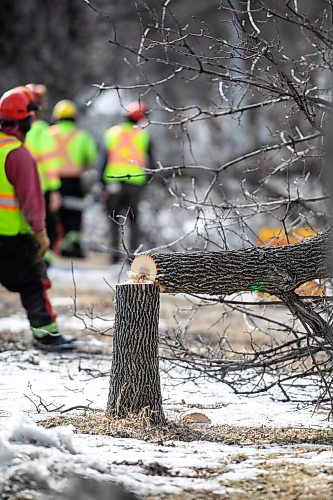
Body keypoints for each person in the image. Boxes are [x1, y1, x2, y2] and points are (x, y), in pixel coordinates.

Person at [0, 88, 76, 351]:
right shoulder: (18, 155)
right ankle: (46, 336)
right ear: (24, 120)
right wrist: (40, 232)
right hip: (12, 237)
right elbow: (32, 201)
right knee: (34, 283)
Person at [97, 101, 156, 264]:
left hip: (112, 182)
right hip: (134, 184)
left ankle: (114, 255)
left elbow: (102, 160)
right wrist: (145, 183)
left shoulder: (111, 133)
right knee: (133, 221)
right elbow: (152, 164)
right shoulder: (144, 135)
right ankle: (132, 256)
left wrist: (101, 183)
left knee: (114, 219)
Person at [49, 99, 97, 258]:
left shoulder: (49, 133)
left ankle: (57, 245)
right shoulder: (82, 136)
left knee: (56, 214)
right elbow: (91, 157)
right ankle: (74, 246)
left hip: (52, 180)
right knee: (74, 214)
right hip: (74, 181)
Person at [24, 84, 62, 263]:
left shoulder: (9, 128)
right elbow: (49, 163)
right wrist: (54, 190)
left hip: (14, 187)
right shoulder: (41, 131)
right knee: (44, 226)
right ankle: (43, 258)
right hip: (40, 187)